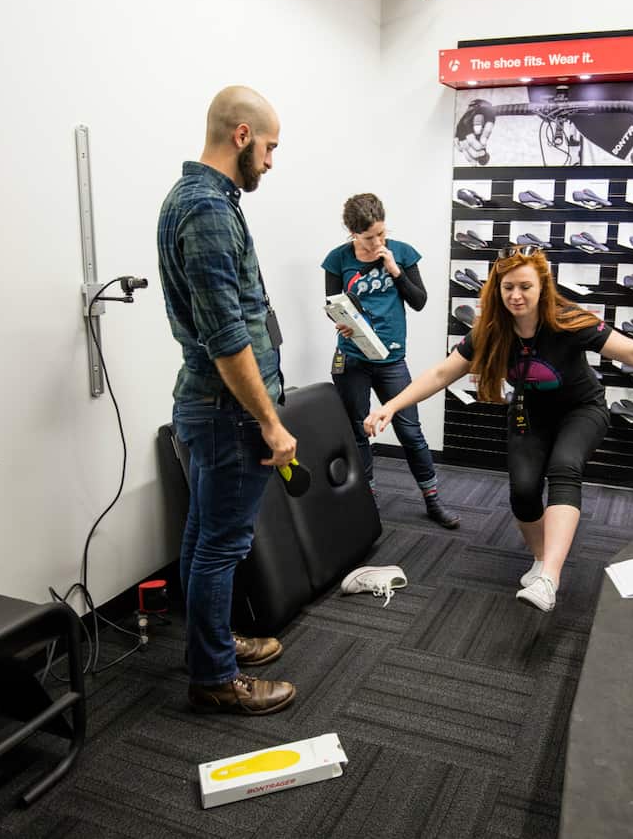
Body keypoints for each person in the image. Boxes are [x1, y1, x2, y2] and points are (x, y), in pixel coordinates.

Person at [364, 246, 633, 613]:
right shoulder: (490, 331)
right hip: (530, 412)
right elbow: (442, 373)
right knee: (522, 491)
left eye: (525, 287)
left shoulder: (568, 321)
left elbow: (629, 351)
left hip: (581, 410)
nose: (516, 296)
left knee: (564, 467)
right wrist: (391, 406)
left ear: (542, 287)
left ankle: (550, 576)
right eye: (508, 288)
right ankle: (541, 560)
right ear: (497, 289)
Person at [157, 85, 296, 715]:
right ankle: (214, 676)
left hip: (209, 408)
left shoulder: (201, 199)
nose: (270, 161)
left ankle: (210, 645)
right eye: (268, 147)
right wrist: (269, 422)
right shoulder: (208, 211)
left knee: (203, 535)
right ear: (241, 135)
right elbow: (226, 337)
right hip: (228, 412)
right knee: (221, 544)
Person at [323, 194, 460, 529]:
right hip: (352, 357)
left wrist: (395, 270)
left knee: (410, 432)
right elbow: (332, 305)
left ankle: (432, 500)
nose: (377, 242)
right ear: (353, 232)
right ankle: (368, 502)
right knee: (358, 432)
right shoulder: (337, 260)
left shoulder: (401, 252)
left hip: (391, 359)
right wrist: (339, 320)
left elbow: (419, 301)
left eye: (381, 234)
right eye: (369, 237)